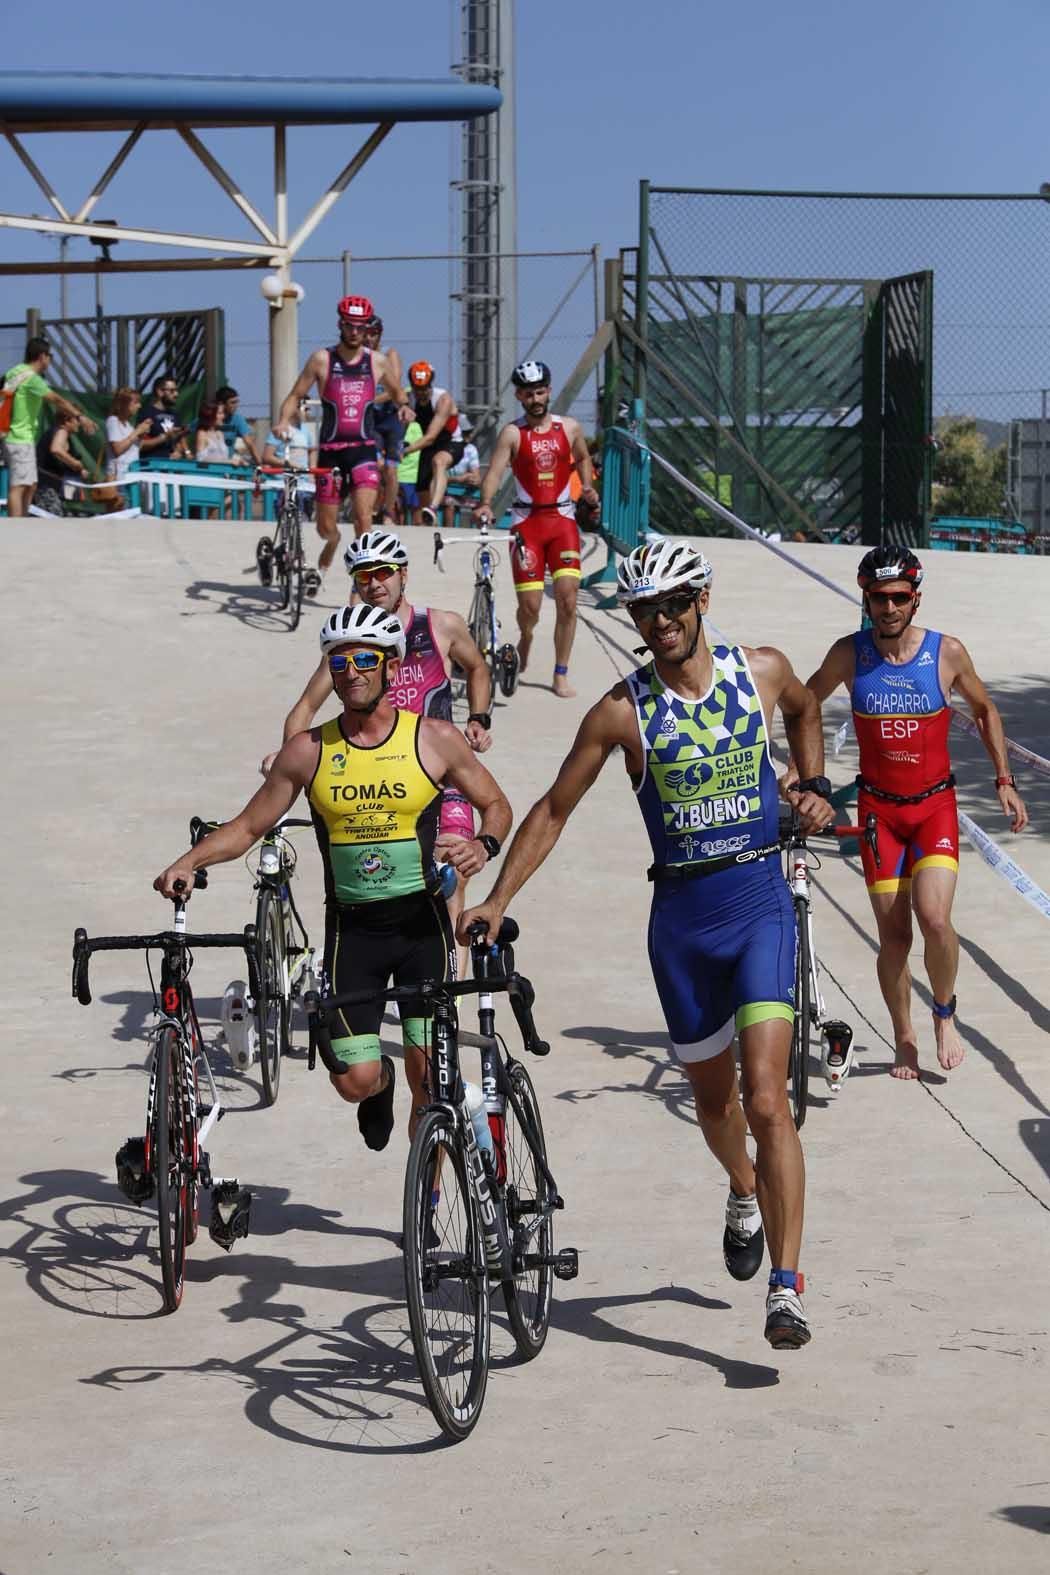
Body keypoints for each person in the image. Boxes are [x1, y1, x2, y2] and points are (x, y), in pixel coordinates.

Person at [461, 537, 836, 1350]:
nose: (660, 621)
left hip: (760, 903)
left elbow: (807, 709)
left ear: (702, 597)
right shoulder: (620, 711)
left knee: (768, 1098)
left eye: (673, 603)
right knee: (714, 1106)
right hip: (681, 927)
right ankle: (742, 1184)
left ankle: (786, 1285)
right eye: (644, 610)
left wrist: (810, 785)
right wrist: (496, 896)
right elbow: (555, 809)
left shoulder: (762, 671)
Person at [155, 603, 511, 1153]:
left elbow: (497, 805)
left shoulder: (434, 738)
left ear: (392, 668)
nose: (352, 671)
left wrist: (481, 845)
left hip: (422, 927)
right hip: (353, 933)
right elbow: (250, 825)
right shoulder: (309, 750)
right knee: (354, 1080)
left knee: (431, 1081)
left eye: (366, 659)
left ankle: (427, 1207)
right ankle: (381, 1088)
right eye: (340, 660)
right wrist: (189, 861)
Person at [784, 545, 1028, 1080]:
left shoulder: (947, 653)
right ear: (866, 599)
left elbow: (985, 709)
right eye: (878, 598)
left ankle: (944, 1012)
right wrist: (798, 769)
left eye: (898, 597)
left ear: (915, 599)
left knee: (935, 918)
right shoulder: (849, 654)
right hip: (879, 815)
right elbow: (803, 702)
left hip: (934, 807)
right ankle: (905, 1036)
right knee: (894, 938)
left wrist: (1004, 781)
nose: (888, 608)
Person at [261, 527, 494, 953]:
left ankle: (443, 989)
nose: (374, 584)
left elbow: (477, 667)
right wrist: (289, 755)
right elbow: (303, 710)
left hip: (444, 776)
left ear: (403, 574)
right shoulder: (353, 644)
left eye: (383, 572)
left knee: (450, 872)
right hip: (386, 779)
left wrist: (479, 717)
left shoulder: (441, 625)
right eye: (363, 576)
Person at [474, 359, 599, 699]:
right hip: (526, 524)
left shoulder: (569, 428)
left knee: (568, 600)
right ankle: (525, 637)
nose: (535, 399)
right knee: (530, 608)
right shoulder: (513, 433)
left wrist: (587, 487)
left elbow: (584, 457)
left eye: (540, 392)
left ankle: (560, 672)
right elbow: (496, 473)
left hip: (562, 521)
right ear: (519, 395)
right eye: (528, 394)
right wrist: (485, 502)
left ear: (549, 390)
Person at [273, 294, 401, 593]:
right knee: (325, 528)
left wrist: (403, 406)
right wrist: (282, 421)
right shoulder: (322, 359)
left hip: (363, 450)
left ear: (367, 328)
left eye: (361, 327)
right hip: (330, 452)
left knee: (363, 518)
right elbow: (295, 395)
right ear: (340, 325)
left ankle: (362, 584)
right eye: (349, 326)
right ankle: (333, 544)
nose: (355, 332)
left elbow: (398, 393)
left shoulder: (377, 362)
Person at [2, 337, 96, 517]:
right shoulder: (32, 378)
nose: (50, 360)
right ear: (42, 356)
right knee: (19, 486)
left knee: (30, 485)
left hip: (20, 437)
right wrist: (80, 417)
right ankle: (16, 527)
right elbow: (57, 400)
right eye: (50, 355)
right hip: (18, 437)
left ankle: (22, 520)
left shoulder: (15, 372)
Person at [402, 362, 463, 527]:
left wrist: (404, 451)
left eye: (425, 388)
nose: (421, 393)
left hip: (451, 443)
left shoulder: (443, 399)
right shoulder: (409, 398)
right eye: (417, 389)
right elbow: (394, 399)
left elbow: (430, 436)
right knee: (421, 489)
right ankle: (428, 521)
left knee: (439, 462)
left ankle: (434, 507)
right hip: (428, 448)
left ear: (431, 385)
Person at [364, 314, 405, 525]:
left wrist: (367, 399)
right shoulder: (357, 356)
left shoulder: (389, 354)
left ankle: (389, 511)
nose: (368, 339)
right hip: (370, 418)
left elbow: (394, 389)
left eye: (373, 334)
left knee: (390, 468)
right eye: (366, 334)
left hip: (389, 418)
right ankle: (371, 507)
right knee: (373, 465)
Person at [34, 412, 88, 513]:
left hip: (51, 488)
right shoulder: (61, 431)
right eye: (77, 420)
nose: (79, 423)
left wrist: (79, 471)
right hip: (46, 489)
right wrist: (75, 463)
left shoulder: (64, 435)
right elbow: (56, 449)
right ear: (67, 420)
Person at [104, 388, 152, 492]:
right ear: (124, 404)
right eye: (135, 402)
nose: (139, 406)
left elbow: (136, 449)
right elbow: (117, 450)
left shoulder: (129, 426)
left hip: (131, 477)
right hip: (118, 480)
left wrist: (142, 435)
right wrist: (138, 431)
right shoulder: (113, 421)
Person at [138, 374, 189, 465]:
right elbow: (140, 444)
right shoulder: (147, 414)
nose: (176, 394)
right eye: (172, 391)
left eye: (176, 390)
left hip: (172, 468)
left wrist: (179, 451)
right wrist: (164, 437)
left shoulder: (175, 414)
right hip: (152, 467)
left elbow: (179, 440)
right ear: (160, 392)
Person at [442, 417, 481, 528]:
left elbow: (476, 475)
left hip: (460, 488)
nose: (469, 436)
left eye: (469, 432)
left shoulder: (471, 449)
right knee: (449, 504)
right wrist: (457, 479)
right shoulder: (444, 448)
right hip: (444, 489)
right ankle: (448, 533)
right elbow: (437, 477)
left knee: (478, 504)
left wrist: (474, 479)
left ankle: (477, 534)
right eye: (465, 433)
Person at [214, 384, 261, 467]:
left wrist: (260, 465)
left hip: (228, 465)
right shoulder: (208, 418)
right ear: (221, 404)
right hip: (209, 466)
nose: (236, 405)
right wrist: (187, 452)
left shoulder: (238, 419)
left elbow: (250, 443)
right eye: (232, 402)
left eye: (237, 402)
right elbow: (184, 431)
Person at [396, 417, 424, 525]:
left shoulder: (416, 427)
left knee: (415, 508)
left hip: (412, 475)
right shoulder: (390, 424)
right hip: (395, 475)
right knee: (398, 508)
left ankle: (416, 530)